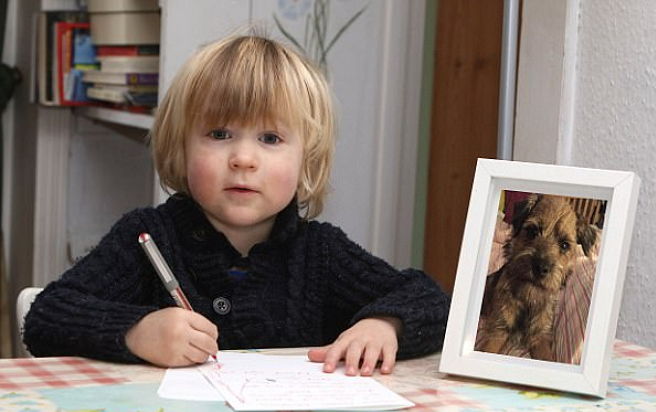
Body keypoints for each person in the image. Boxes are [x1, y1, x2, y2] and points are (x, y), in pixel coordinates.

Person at [23, 34, 449, 376]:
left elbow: (432, 302)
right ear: (180, 146)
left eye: (270, 139)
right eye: (220, 134)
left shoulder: (319, 251)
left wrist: (384, 324)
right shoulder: (146, 237)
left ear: (307, 160)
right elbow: (46, 317)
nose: (243, 159)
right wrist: (135, 332)